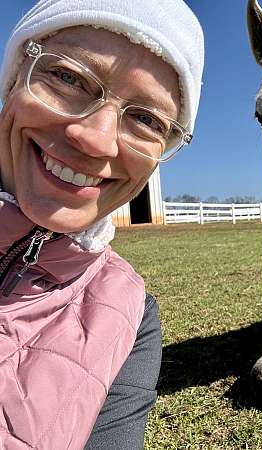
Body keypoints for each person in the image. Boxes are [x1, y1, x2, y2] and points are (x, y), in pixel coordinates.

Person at [0, 0, 204, 448]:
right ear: (13, 78)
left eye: (148, 120)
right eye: (69, 77)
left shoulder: (130, 319)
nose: (96, 140)